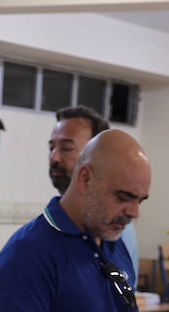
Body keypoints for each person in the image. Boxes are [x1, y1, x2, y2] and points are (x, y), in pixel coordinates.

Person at [0, 129, 169, 312]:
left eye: (140, 200)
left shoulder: (112, 243)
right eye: (123, 197)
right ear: (85, 179)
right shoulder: (27, 253)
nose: (134, 212)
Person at [47, 104, 137, 265]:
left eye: (66, 148)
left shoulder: (114, 227)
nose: (54, 158)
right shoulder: (36, 241)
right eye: (52, 148)